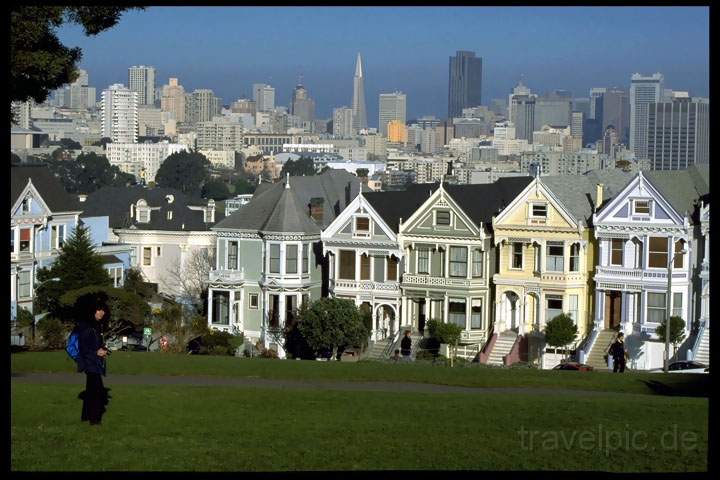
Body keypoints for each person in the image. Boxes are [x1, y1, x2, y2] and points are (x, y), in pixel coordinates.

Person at [77, 297, 111, 425]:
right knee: (97, 391)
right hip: (90, 362)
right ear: (93, 311)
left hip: (94, 361)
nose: (102, 313)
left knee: (91, 390)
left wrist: (103, 349)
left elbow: (95, 344)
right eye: (99, 310)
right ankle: (95, 419)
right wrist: (96, 352)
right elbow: (83, 347)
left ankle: (85, 416)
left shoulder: (97, 326)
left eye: (103, 310)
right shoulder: (87, 326)